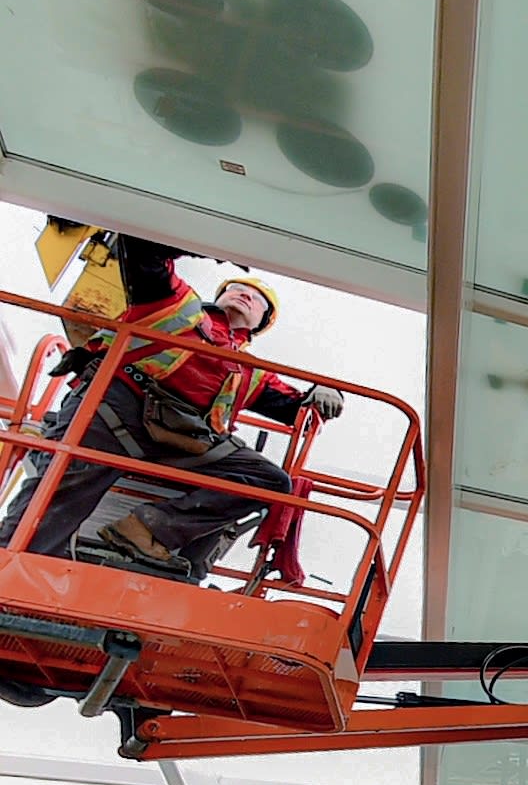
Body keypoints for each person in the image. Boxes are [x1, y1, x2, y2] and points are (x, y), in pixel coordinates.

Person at [0, 220, 345, 571]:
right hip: (112, 410)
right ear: (219, 295)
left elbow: (295, 411)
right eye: (237, 288)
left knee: (270, 481)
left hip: (182, 440)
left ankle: (148, 531)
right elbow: (140, 246)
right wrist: (211, 244)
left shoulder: (251, 372)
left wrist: (320, 393)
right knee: (58, 490)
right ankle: (12, 568)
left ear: (259, 323)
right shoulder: (175, 304)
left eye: (257, 300)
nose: (246, 295)